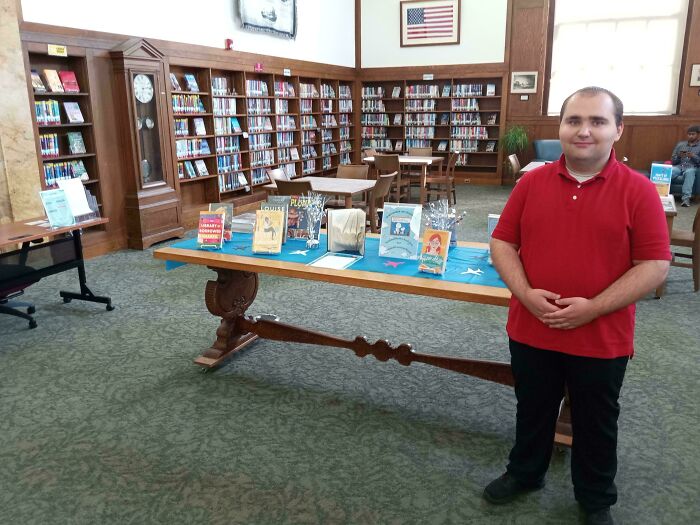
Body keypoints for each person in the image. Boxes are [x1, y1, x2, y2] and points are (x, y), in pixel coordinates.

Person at [485, 87, 670, 525]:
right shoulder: (532, 182)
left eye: (598, 121)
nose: (584, 131)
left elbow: (655, 265)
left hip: (602, 336)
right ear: (560, 127)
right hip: (532, 326)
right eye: (574, 121)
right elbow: (502, 242)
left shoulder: (639, 191)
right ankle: (525, 473)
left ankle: (595, 498)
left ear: (618, 130)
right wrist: (526, 294)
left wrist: (593, 308)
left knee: (596, 420)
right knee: (532, 407)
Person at [670, 125, 700, 207]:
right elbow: (673, 161)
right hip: (679, 166)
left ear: (698, 135)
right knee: (669, 171)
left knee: (689, 172)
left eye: (693, 134)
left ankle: (685, 200)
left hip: (692, 167)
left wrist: (693, 156)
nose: (690, 136)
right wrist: (679, 156)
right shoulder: (681, 145)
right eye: (689, 134)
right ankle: (660, 195)